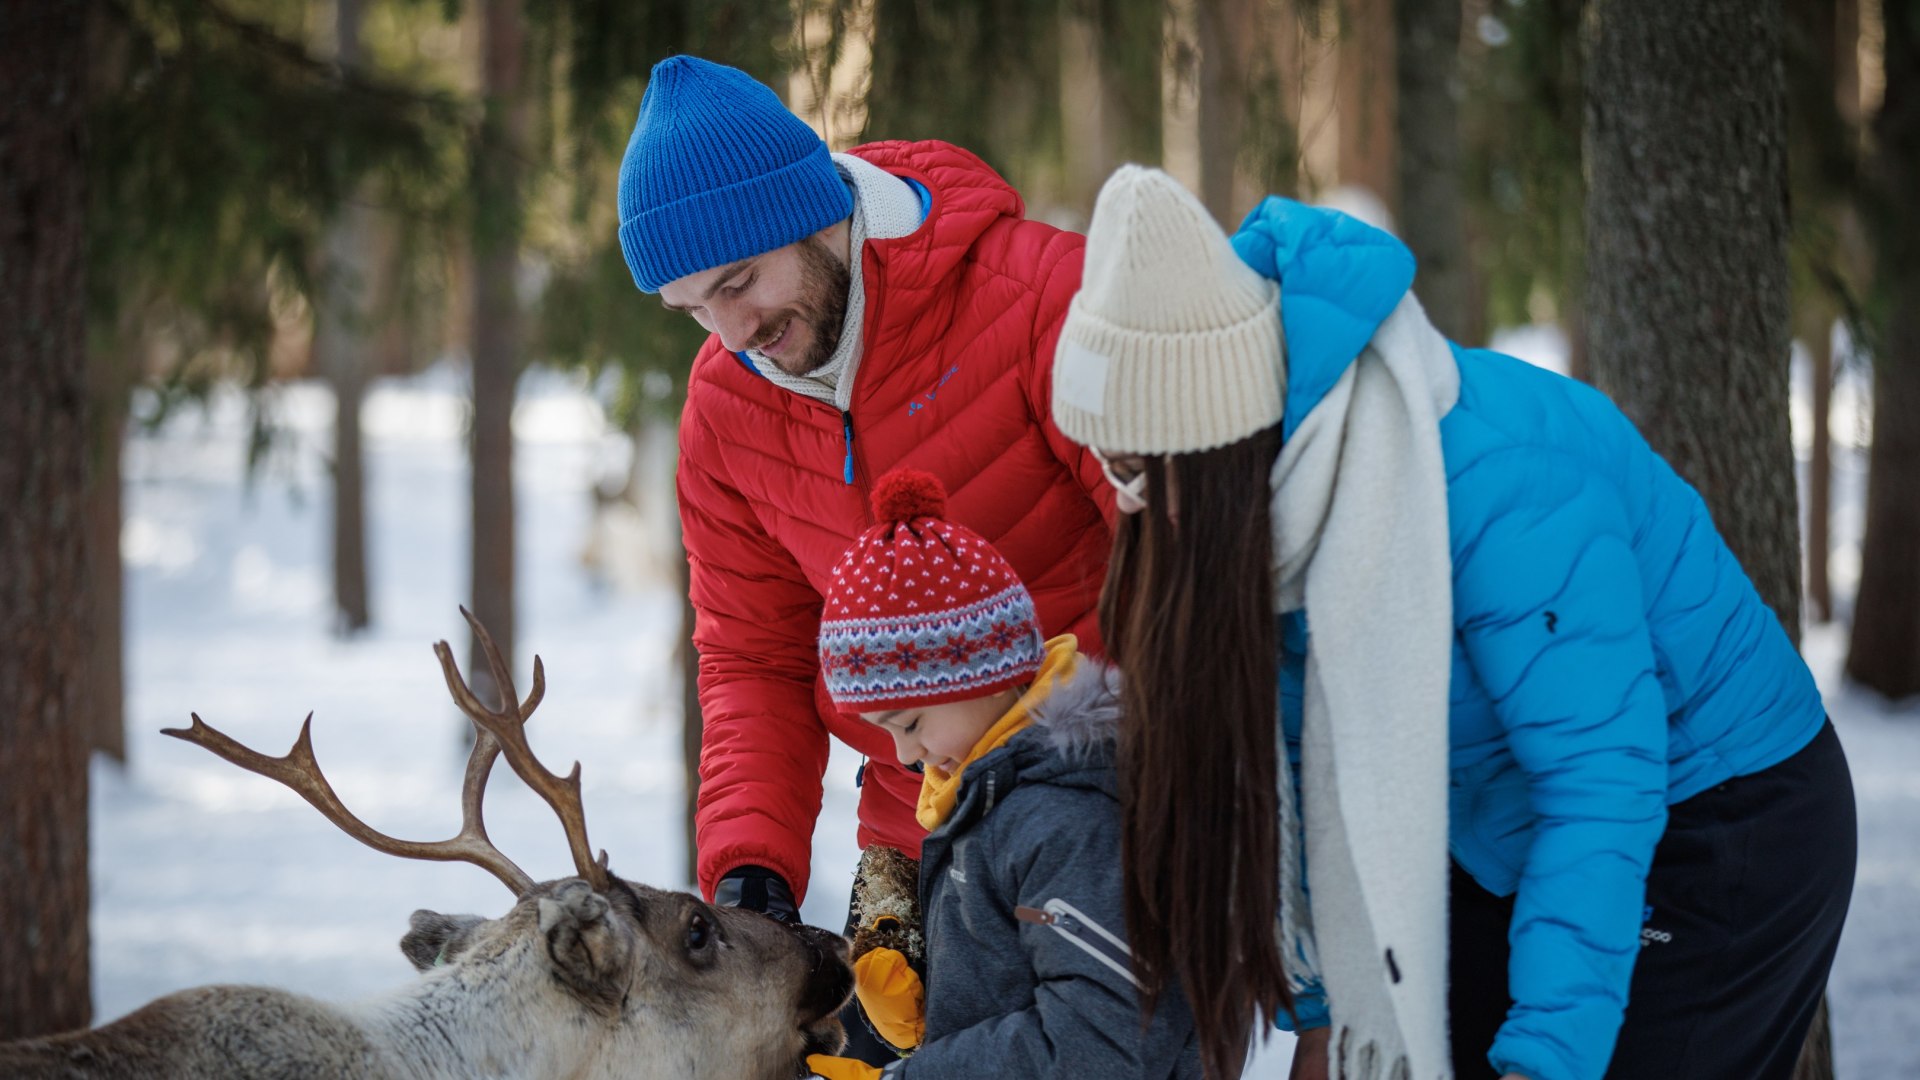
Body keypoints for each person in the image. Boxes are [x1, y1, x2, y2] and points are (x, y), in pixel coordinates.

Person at [1047, 166, 1856, 1080]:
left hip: (1713, 818)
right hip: (1495, 822)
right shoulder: (1265, 525)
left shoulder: (1492, 480)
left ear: (1218, 436)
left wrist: (1547, 1059)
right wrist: (1326, 1013)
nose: (1134, 503)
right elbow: (1311, 772)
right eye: (1117, 470)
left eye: (1145, 471)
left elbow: (1600, 780)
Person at [615, 55, 1112, 1059]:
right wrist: (752, 870)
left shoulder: (1040, 299)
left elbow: (1182, 555)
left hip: (1097, 812)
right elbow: (755, 656)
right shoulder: (725, 408)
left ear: (814, 211)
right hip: (914, 839)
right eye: (696, 307)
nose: (732, 331)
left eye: (741, 282)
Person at [801, 468, 1199, 1080]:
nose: (906, 757)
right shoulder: (994, 802)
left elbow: (1103, 1041)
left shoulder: (1068, 819)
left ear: (981, 674)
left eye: (909, 722)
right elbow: (1017, 994)